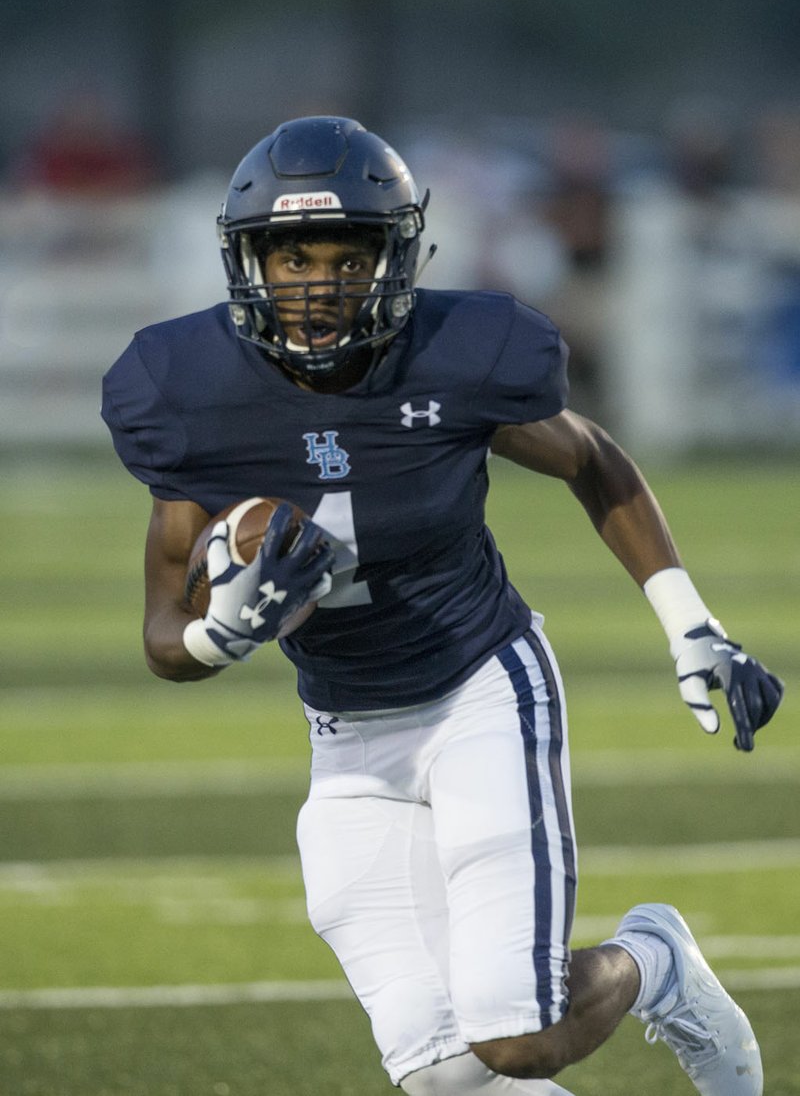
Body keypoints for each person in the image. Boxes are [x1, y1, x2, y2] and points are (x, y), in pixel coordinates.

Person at [101, 116, 783, 1095]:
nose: (318, 285)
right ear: (248, 259)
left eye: (347, 255)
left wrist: (689, 623)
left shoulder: (456, 355)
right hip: (345, 730)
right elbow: (163, 633)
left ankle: (651, 959)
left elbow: (591, 457)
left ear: (398, 254)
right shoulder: (187, 392)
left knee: (516, 1036)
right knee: (435, 1068)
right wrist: (217, 631)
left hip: (479, 690)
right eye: (293, 254)